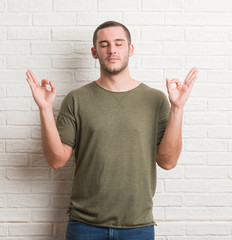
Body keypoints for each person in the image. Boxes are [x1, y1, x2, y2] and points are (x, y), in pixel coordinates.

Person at [25, 21, 198, 240]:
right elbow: (56, 160)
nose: (112, 50)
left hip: (138, 225)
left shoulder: (155, 100)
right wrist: (45, 109)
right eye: (104, 44)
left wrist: (178, 108)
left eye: (119, 43)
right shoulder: (76, 100)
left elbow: (168, 161)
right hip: (84, 225)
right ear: (94, 52)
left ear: (130, 49)